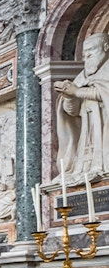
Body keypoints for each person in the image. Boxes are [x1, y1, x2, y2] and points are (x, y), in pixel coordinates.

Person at [55, 33, 109, 179]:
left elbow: (105, 92)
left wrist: (78, 92)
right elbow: (73, 113)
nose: (87, 56)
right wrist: (68, 96)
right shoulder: (82, 76)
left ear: (106, 47)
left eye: (91, 50)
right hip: (88, 131)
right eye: (85, 54)